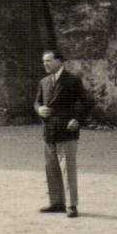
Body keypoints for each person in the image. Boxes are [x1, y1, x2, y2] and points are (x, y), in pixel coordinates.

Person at [34, 48, 83, 218]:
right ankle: (56, 203)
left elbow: (87, 102)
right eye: (44, 61)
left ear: (59, 61)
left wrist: (77, 119)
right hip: (49, 131)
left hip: (67, 131)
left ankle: (71, 205)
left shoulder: (72, 81)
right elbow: (37, 101)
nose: (45, 64)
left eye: (48, 60)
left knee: (67, 168)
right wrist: (39, 109)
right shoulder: (44, 82)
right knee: (51, 168)